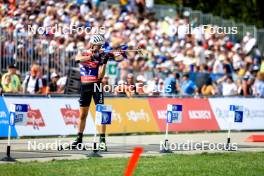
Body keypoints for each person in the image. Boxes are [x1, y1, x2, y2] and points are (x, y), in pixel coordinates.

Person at [72, 34, 112, 150]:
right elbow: (77, 59)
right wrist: (92, 57)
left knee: (102, 112)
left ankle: (102, 140)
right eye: (98, 46)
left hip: (97, 85)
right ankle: (79, 139)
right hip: (85, 85)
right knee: (83, 114)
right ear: (92, 44)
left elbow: (100, 76)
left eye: (101, 46)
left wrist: (104, 63)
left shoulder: (100, 56)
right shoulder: (83, 51)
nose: (99, 48)